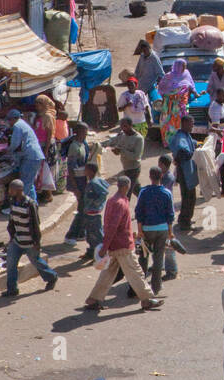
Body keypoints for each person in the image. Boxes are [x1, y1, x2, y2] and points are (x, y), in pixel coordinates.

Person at [84, 176, 163, 312]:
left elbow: (109, 225)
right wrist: (105, 246)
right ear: (127, 186)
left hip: (115, 245)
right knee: (135, 272)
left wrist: (106, 245)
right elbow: (113, 226)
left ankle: (94, 299)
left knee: (108, 274)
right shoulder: (120, 203)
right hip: (123, 246)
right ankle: (147, 299)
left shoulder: (112, 201)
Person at [3, 179, 58, 296]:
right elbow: (11, 221)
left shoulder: (30, 204)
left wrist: (37, 242)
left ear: (18, 190)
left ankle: (51, 277)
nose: (9, 192)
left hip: (30, 241)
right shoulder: (13, 202)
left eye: (11, 190)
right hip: (17, 240)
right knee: (11, 264)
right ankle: (12, 289)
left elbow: (35, 224)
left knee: (36, 261)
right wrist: (12, 236)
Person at [134, 165, 176, 295]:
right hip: (162, 229)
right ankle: (156, 287)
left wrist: (139, 230)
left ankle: (141, 285)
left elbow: (138, 212)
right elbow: (170, 215)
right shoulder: (166, 193)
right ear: (161, 177)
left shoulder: (143, 192)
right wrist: (170, 232)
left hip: (146, 229)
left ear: (150, 177)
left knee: (143, 257)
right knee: (158, 258)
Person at [6, 109, 45, 204]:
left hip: (31, 157)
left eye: (9, 120)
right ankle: (33, 204)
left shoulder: (17, 125)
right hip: (35, 156)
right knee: (29, 183)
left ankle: (19, 205)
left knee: (25, 183)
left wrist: (7, 151)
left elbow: (15, 143)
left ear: (13, 119)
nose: (9, 123)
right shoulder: (23, 124)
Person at [168, 118, 199, 231]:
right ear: (184, 124)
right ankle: (185, 222)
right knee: (188, 198)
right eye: (191, 124)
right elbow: (183, 152)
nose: (192, 126)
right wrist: (193, 152)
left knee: (190, 197)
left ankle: (185, 219)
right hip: (185, 172)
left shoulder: (186, 135)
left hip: (187, 172)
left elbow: (192, 143)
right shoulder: (180, 137)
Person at [156, 59, 198, 140]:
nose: (184, 68)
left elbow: (191, 85)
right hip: (169, 106)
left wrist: (196, 93)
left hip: (182, 106)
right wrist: (171, 95)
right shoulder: (168, 76)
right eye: (183, 66)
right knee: (169, 124)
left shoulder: (186, 74)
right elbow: (161, 87)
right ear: (178, 66)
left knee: (182, 123)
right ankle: (169, 141)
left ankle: (181, 140)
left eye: (185, 66)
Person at [103, 116, 146, 194]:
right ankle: (147, 203)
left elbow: (136, 156)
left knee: (126, 193)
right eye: (121, 126)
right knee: (136, 190)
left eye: (125, 126)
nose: (123, 128)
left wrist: (122, 151)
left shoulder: (138, 139)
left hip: (133, 168)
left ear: (131, 125)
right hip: (126, 167)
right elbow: (114, 142)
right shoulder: (123, 135)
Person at [78, 158, 109, 261]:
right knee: (90, 235)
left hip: (93, 214)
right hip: (89, 213)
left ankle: (101, 254)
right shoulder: (93, 181)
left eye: (86, 169)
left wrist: (95, 203)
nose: (84, 171)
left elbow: (104, 193)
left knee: (97, 235)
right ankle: (91, 252)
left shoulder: (94, 183)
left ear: (91, 171)